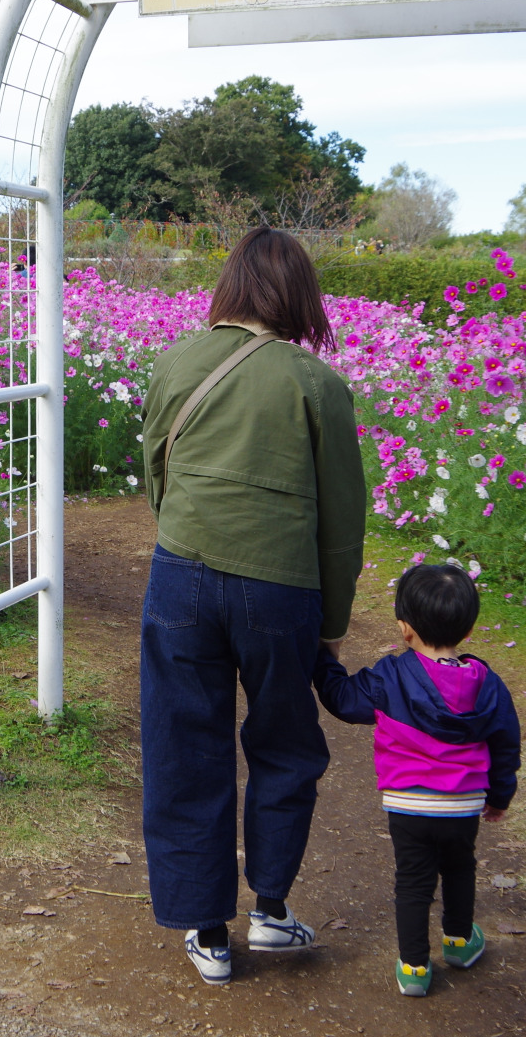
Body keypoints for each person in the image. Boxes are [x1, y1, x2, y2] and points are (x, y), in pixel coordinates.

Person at [137, 226, 367, 986]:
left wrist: (187, 537)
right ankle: (269, 908)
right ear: (298, 293)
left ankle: (207, 931)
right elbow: (341, 522)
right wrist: (332, 627)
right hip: (281, 587)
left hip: (182, 571)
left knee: (183, 746)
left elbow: (156, 472)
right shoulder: (317, 384)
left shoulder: (177, 360)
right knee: (284, 744)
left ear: (232, 283)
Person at [311, 563, 522, 997]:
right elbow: (506, 744)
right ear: (468, 629)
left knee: (413, 881)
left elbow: (343, 699)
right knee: (460, 867)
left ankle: (414, 968)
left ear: (405, 629)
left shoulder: (391, 677)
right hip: (463, 803)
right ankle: (459, 943)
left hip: (408, 803)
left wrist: (323, 658)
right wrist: (500, 796)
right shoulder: (488, 684)